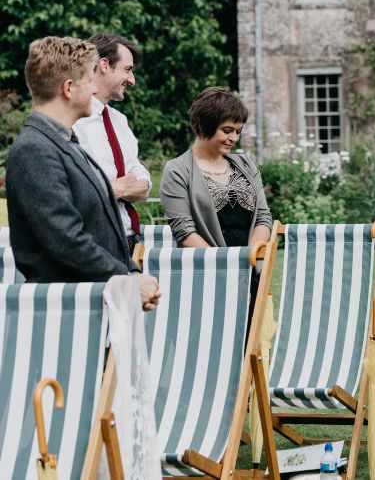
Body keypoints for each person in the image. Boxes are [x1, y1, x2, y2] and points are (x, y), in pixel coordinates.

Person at [6, 36, 160, 310]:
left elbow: (97, 227)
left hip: (90, 304)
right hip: (65, 313)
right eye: (89, 80)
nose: (94, 89)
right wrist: (126, 280)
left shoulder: (66, 144)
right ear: (68, 88)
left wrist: (132, 275)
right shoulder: (34, 150)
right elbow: (65, 239)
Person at [160, 87, 272, 307]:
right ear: (204, 126)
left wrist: (248, 262)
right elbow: (185, 232)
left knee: (252, 340)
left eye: (238, 132)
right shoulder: (177, 170)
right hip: (208, 277)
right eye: (227, 130)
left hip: (250, 272)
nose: (233, 138)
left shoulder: (246, 165)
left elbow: (263, 216)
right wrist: (228, 271)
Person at [73, 33, 152, 258]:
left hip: (131, 242)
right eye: (128, 69)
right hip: (93, 243)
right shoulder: (71, 120)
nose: (132, 80)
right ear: (105, 65)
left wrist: (119, 188)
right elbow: (75, 190)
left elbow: (143, 182)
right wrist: (114, 188)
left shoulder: (120, 120)